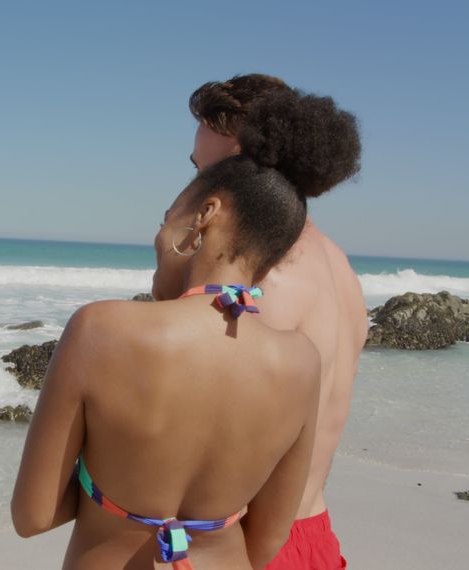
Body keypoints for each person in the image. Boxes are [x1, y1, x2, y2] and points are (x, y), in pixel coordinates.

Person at [11, 93, 360, 569]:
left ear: (205, 216)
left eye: (165, 220)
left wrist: (116, 493)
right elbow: (266, 544)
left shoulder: (99, 329)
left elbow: (33, 515)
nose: (157, 237)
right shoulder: (301, 359)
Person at [188, 75, 367, 569]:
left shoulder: (263, 279)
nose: (195, 188)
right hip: (314, 536)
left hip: (248, 545)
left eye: (207, 170)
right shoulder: (340, 267)